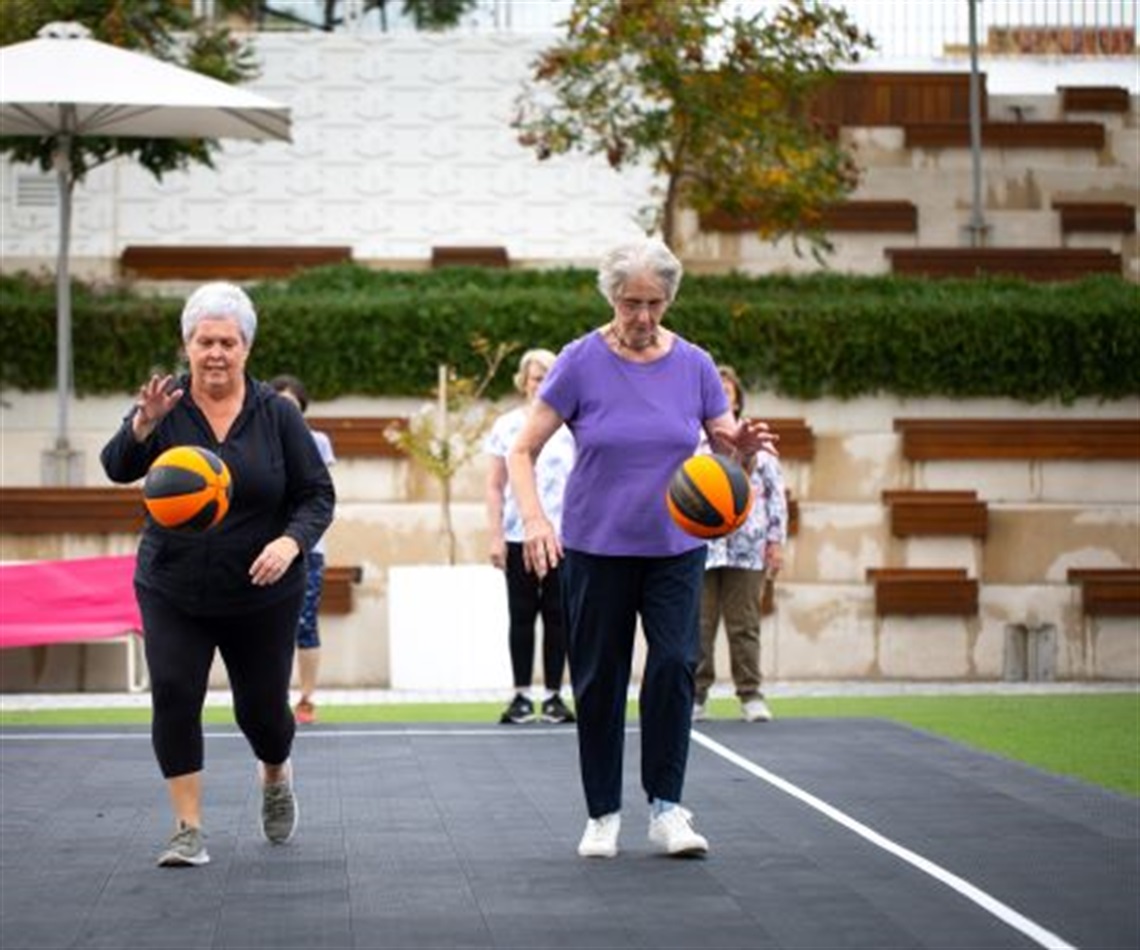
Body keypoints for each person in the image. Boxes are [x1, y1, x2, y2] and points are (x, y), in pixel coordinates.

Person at [507, 238, 776, 860]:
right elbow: (522, 449)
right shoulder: (579, 361)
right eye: (632, 303)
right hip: (596, 546)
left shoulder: (696, 366)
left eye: (655, 303)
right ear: (612, 298)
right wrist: (535, 520)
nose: (644, 317)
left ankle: (667, 809)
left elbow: (721, 452)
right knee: (599, 680)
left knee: (675, 665)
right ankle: (602, 814)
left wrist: (743, 452)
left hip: (675, 546)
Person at [101, 282, 335, 869]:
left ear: (246, 348)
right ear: (187, 344)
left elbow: (317, 495)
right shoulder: (165, 406)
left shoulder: (277, 414)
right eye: (205, 340)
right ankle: (187, 828)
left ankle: (275, 773)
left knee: (261, 713)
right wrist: (141, 428)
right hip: (173, 584)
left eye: (227, 341)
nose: (216, 353)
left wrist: (289, 542)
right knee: (176, 693)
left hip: (261, 590)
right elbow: (116, 468)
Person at [484, 348, 576, 725]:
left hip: (563, 538)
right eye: (535, 377)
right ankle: (521, 696)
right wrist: (496, 536)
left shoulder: (572, 424)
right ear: (523, 382)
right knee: (521, 616)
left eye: (547, 376)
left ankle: (554, 696)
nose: (540, 383)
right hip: (519, 533)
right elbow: (495, 485)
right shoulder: (506, 425)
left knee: (559, 617)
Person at [693, 365, 787, 724]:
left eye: (728, 386)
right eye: (717, 387)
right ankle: (697, 697)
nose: (723, 390)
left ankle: (751, 695)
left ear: (737, 395)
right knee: (699, 625)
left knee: (744, 624)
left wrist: (776, 542)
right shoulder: (693, 442)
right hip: (703, 549)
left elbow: (775, 496)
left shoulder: (758, 443)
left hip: (748, 548)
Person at [269, 374, 337, 726]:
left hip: (307, 548)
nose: (286, 413)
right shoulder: (257, 440)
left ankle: (307, 697)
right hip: (265, 547)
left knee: (305, 624)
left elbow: (320, 495)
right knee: (266, 625)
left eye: (292, 407)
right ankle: (270, 697)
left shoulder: (317, 441)